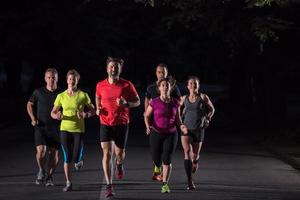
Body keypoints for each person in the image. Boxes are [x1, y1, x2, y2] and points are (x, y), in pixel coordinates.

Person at [95, 57, 140, 198]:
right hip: (105, 123)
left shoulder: (127, 85)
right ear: (107, 68)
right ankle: (109, 185)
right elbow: (97, 96)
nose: (114, 69)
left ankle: (119, 164)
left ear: (120, 69)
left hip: (121, 123)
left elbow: (137, 102)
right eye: (111, 66)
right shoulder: (100, 85)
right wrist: (98, 108)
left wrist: (126, 104)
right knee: (107, 153)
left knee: (119, 154)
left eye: (116, 67)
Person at [51, 69, 95, 192]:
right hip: (64, 128)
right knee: (67, 156)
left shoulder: (83, 95)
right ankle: (68, 182)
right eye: (70, 79)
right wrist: (57, 116)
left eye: (74, 79)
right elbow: (53, 112)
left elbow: (93, 110)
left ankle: (79, 159)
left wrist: (85, 115)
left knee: (76, 157)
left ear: (77, 80)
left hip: (78, 130)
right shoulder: (61, 96)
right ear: (67, 80)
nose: (72, 81)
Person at [144, 77, 185, 193]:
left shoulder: (175, 103)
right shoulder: (154, 102)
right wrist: (148, 126)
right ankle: (157, 166)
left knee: (167, 160)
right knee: (156, 158)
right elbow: (146, 115)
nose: (165, 87)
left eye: (167, 85)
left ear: (170, 88)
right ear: (159, 88)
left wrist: (182, 126)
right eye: (163, 85)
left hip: (171, 134)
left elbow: (178, 120)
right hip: (156, 133)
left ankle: (165, 184)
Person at [26, 68, 61, 186]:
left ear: (57, 78)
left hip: (57, 129)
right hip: (41, 127)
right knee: (41, 151)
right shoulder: (38, 92)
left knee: (54, 154)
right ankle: (41, 170)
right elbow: (29, 104)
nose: (51, 79)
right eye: (49, 77)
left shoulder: (62, 93)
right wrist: (33, 118)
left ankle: (50, 177)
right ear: (45, 79)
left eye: (53, 77)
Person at [180, 76, 215, 190]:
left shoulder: (203, 97)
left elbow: (212, 109)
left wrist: (208, 118)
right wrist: (180, 122)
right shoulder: (184, 98)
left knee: (195, 155)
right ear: (187, 86)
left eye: (195, 84)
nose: (192, 85)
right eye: (190, 83)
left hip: (198, 129)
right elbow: (175, 109)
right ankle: (190, 181)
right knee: (187, 152)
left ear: (198, 86)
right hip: (186, 129)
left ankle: (195, 161)